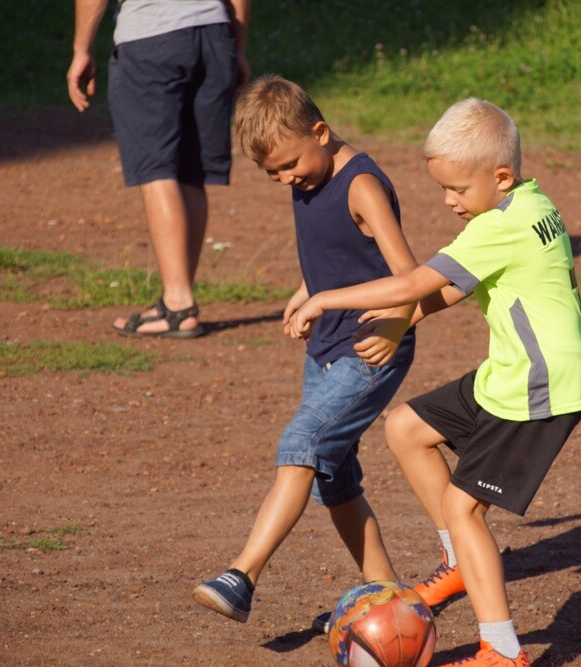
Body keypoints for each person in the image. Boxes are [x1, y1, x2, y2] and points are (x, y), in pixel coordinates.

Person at [289, 98, 581, 666]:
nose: (450, 202)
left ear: (500, 176)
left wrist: (327, 297)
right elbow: (447, 292)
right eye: (443, 191)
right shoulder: (530, 202)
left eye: (457, 190)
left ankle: (502, 652)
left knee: (463, 508)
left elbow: (413, 283)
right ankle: (460, 565)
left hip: (538, 386)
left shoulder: (497, 228)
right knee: (406, 428)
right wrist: (404, 319)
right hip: (509, 373)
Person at [192, 74, 420, 625]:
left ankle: (241, 575)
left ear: (320, 132)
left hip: (370, 347)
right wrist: (306, 290)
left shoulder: (360, 184)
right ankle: (385, 591)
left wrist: (393, 329)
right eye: (270, 172)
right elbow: (334, 252)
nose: (283, 179)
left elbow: (411, 276)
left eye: (289, 165)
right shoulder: (308, 177)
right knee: (334, 475)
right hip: (326, 345)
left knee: (302, 442)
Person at [66, 0, 251, 338]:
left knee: (156, 170)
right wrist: (237, 46)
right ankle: (178, 299)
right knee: (193, 173)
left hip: (151, 37)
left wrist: (82, 50)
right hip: (214, 35)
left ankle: (179, 304)